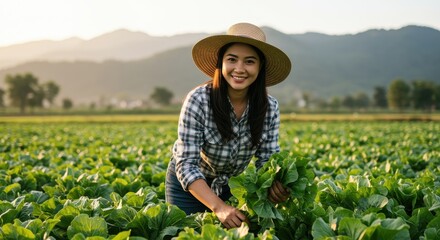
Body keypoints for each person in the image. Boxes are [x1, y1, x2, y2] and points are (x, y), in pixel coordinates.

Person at [165, 22, 292, 229]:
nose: (239, 69)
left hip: (231, 186)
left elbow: (267, 159)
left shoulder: (269, 107)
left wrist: (276, 185)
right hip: (189, 187)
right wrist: (219, 208)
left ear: (260, 67)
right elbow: (186, 164)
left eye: (249, 61)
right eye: (232, 60)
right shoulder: (198, 100)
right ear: (221, 63)